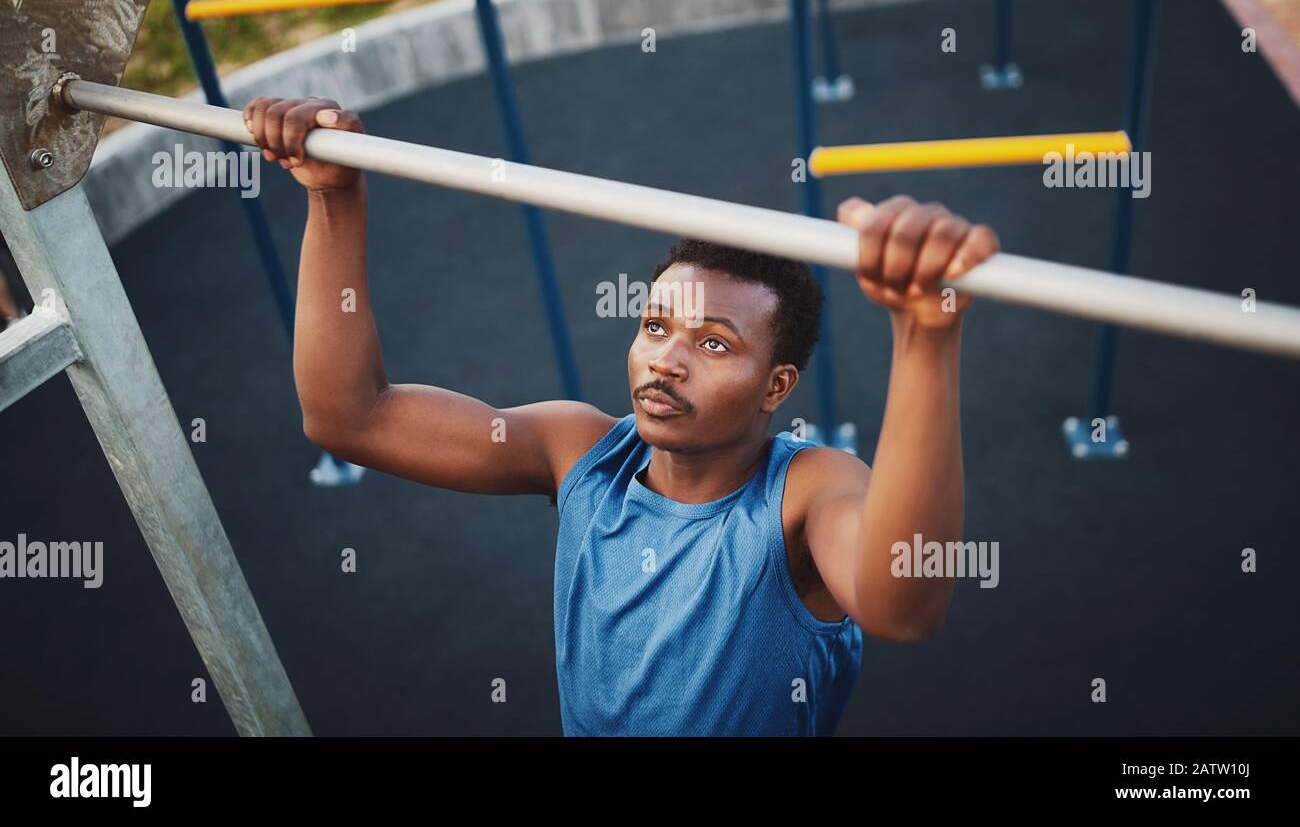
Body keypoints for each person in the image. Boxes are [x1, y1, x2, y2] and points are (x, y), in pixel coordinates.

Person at [242, 96, 1000, 736]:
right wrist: (334, 196)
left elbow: (904, 600)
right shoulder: (579, 450)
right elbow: (349, 417)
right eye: (656, 325)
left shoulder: (805, 492)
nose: (666, 359)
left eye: (712, 342)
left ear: (777, 387)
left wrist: (925, 337)